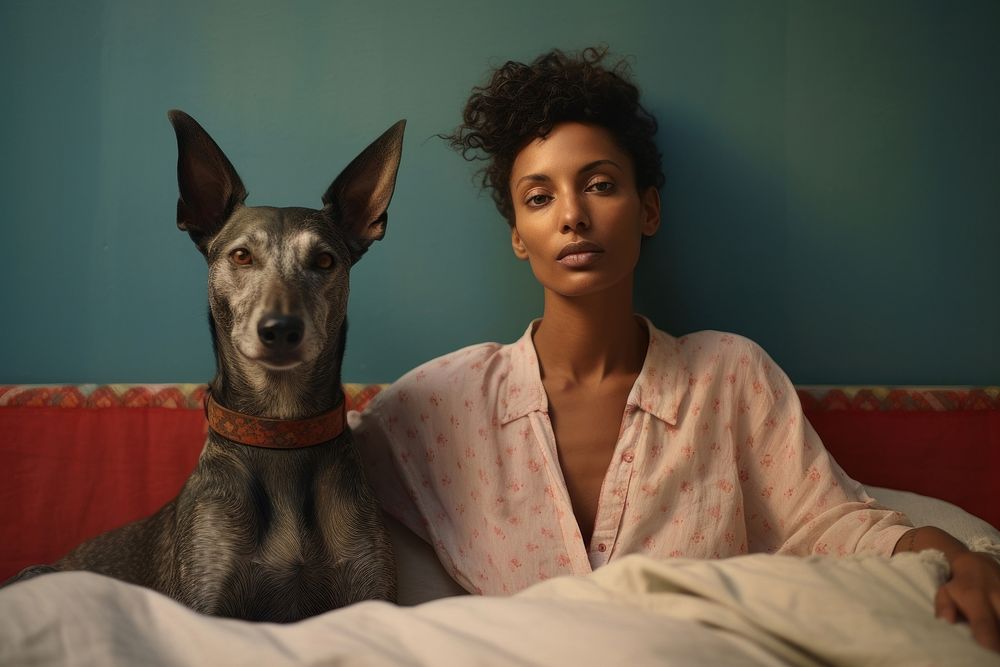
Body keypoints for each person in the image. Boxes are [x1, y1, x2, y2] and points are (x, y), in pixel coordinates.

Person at [350, 46, 1000, 650]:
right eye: (539, 197)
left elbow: (828, 523)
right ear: (519, 235)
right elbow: (315, 465)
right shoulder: (444, 403)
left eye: (600, 184)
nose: (571, 215)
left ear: (649, 209)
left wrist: (955, 555)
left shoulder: (728, 376)